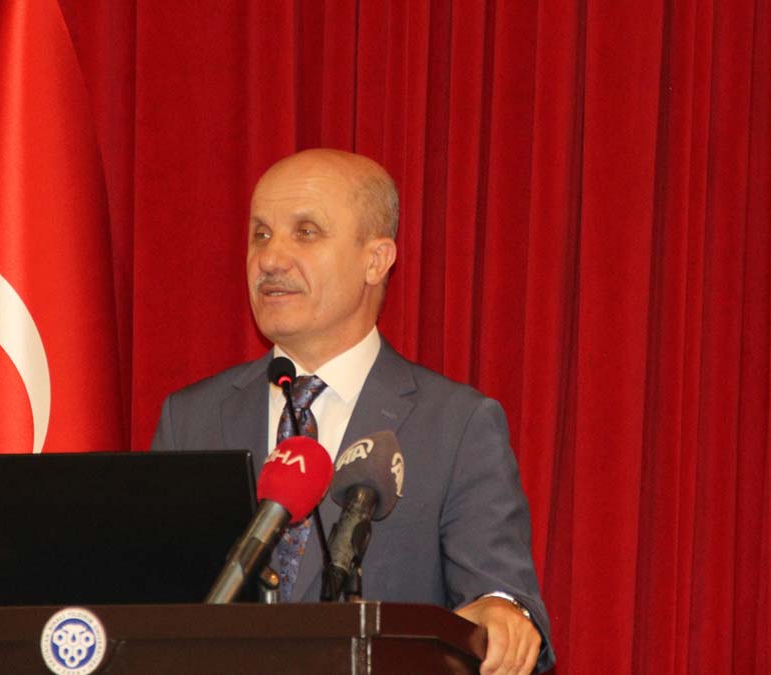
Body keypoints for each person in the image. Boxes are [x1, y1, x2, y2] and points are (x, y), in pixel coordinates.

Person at [152, 148, 554, 674]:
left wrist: (501, 613)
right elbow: (153, 610)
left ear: (376, 260)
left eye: (306, 232)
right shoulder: (191, 419)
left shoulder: (455, 426)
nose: (270, 259)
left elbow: (501, 599)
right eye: (261, 234)